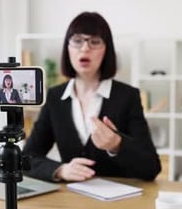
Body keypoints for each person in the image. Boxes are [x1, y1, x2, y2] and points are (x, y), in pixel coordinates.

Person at [22, 11, 161, 182]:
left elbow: (151, 168)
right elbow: (26, 158)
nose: (85, 48)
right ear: (67, 48)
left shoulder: (127, 96)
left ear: (106, 50)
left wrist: (117, 145)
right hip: (70, 200)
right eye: (77, 41)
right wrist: (60, 170)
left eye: (94, 42)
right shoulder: (55, 97)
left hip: (119, 203)